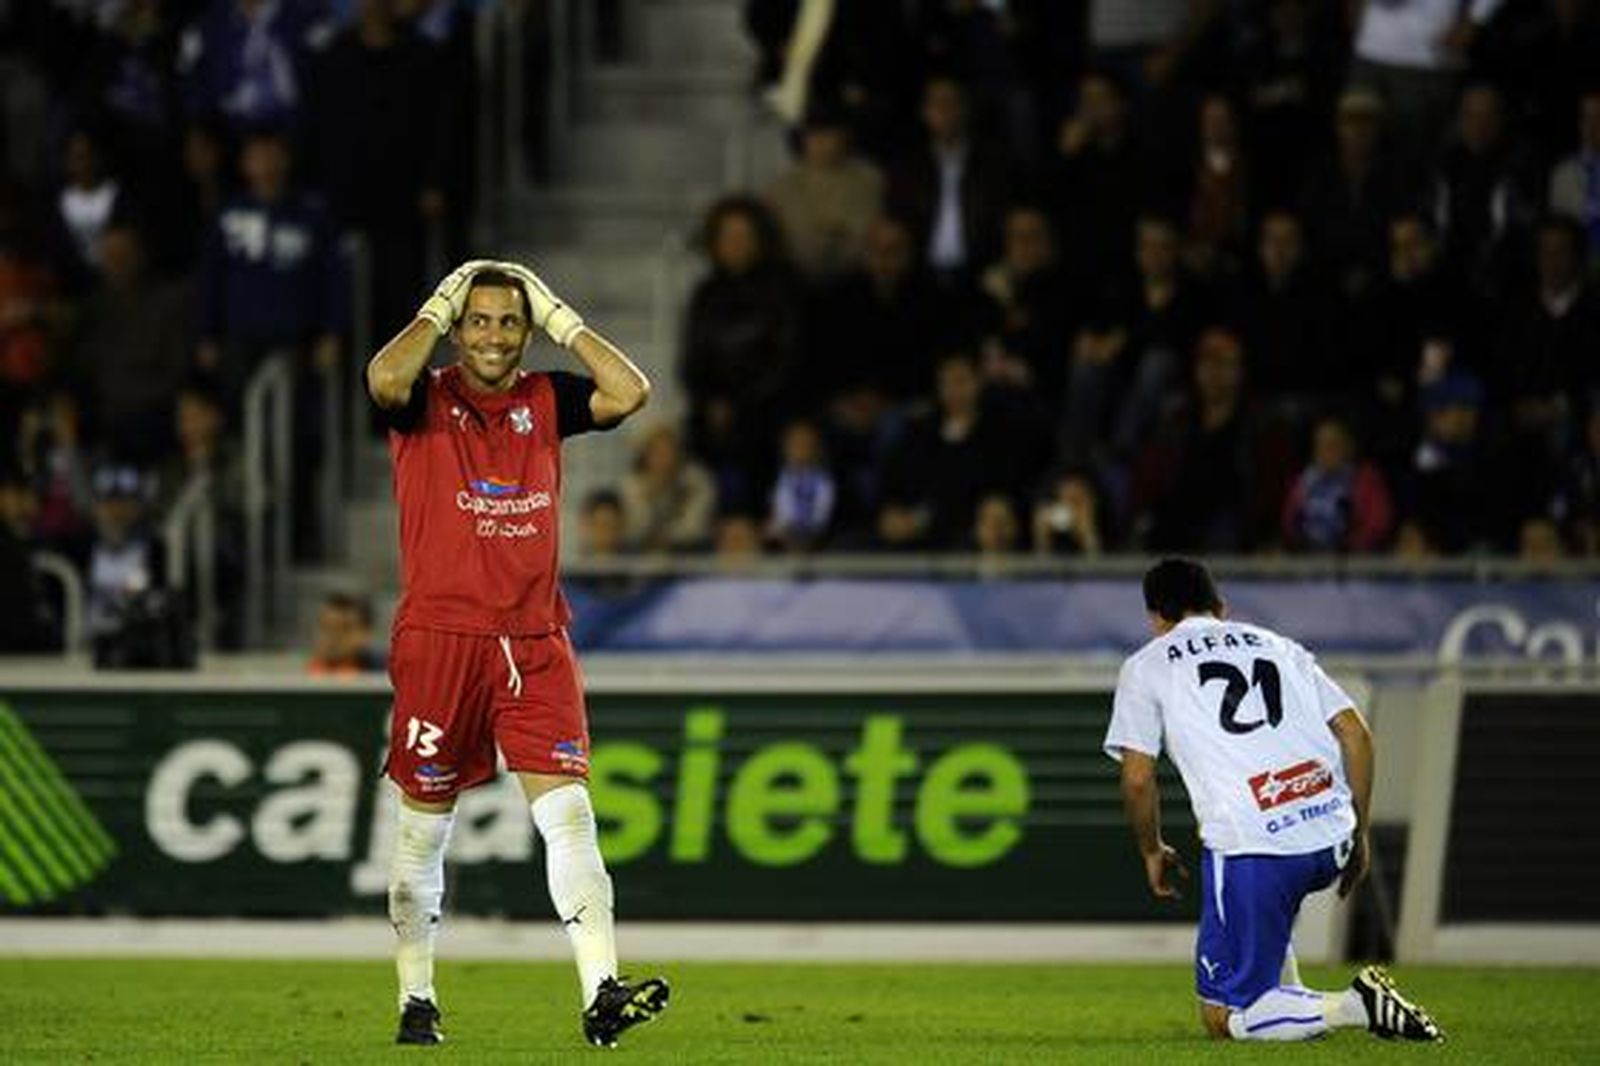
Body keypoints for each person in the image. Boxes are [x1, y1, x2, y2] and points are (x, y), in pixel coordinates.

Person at [364, 260, 665, 1048]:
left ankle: (602, 990)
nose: (493, 336)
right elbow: (383, 375)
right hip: (441, 640)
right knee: (422, 835)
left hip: (534, 641)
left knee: (570, 816)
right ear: (458, 330)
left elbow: (630, 391)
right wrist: (438, 302)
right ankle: (416, 998)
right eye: (479, 321)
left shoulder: (548, 399)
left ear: (525, 333)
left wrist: (559, 313)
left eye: (507, 322)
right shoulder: (424, 399)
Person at [1104, 557, 1444, 1044]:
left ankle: (1355, 1005)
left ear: (1156, 618)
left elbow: (1137, 780)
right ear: (1221, 607)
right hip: (1330, 837)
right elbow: (1357, 734)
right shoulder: (1279, 646)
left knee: (1235, 1017)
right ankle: (1303, 1008)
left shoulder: (1148, 664)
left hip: (1255, 849)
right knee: (1228, 999)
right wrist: (1360, 831)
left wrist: (1152, 849)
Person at [306, 590, 382, 675]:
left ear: (366, 633)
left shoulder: (382, 676)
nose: (333, 637)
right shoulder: (299, 675)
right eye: (325, 628)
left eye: (344, 628)